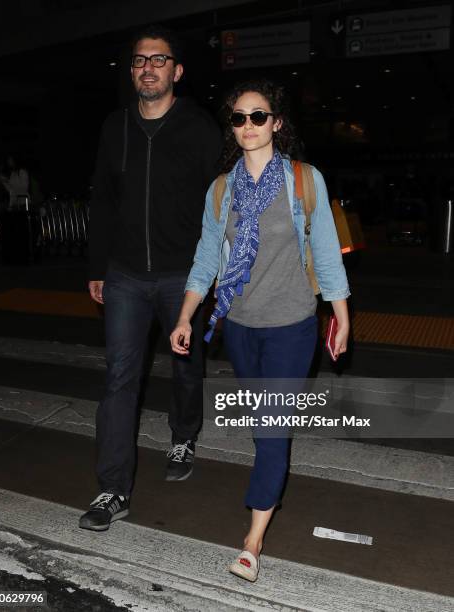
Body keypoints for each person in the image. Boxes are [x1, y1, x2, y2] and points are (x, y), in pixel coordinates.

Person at [170, 79, 350, 581]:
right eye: (238, 117)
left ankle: (251, 542)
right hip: (242, 327)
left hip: (293, 326)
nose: (247, 125)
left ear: (277, 123)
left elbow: (326, 253)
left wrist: (342, 317)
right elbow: (207, 259)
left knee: (271, 429)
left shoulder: (303, 179)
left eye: (258, 115)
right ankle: (269, 477)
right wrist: (186, 315)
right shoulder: (222, 189)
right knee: (263, 423)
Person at [80, 25, 222, 531]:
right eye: (140, 61)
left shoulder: (200, 128)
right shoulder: (113, 126)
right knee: (120, 378)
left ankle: (183, 434)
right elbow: (102, 200)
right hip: (123, 276)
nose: (148, 68)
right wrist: (98, 266)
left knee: (186, 365)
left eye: (158, 60)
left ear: (176, 71)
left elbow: (220, 203)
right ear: (132, 70)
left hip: (183, 275)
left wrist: (216, 271)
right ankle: (112, 489)